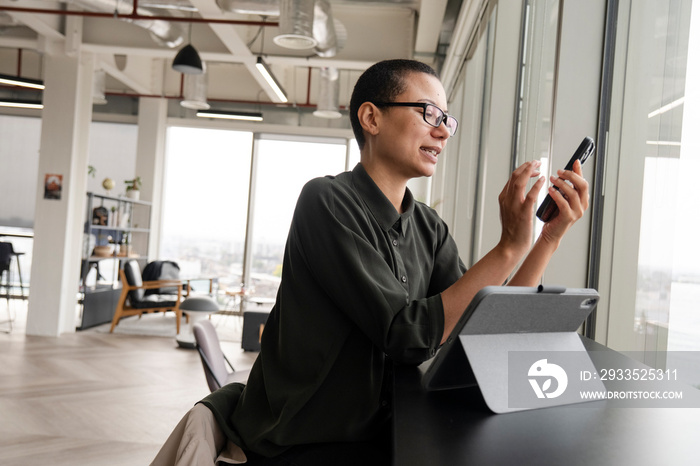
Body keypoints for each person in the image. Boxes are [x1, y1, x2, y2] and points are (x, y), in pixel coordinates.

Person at [151, 59, 589, 465]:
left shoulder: (427, 227)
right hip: (307, 440)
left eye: (446, 120)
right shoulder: (326, 201)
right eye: (428, 113)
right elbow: (407, 334)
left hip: (382, 431)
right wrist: (507, 248)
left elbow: (480, 329)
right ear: (371, 117)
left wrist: (545, 239)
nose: (443, 132)